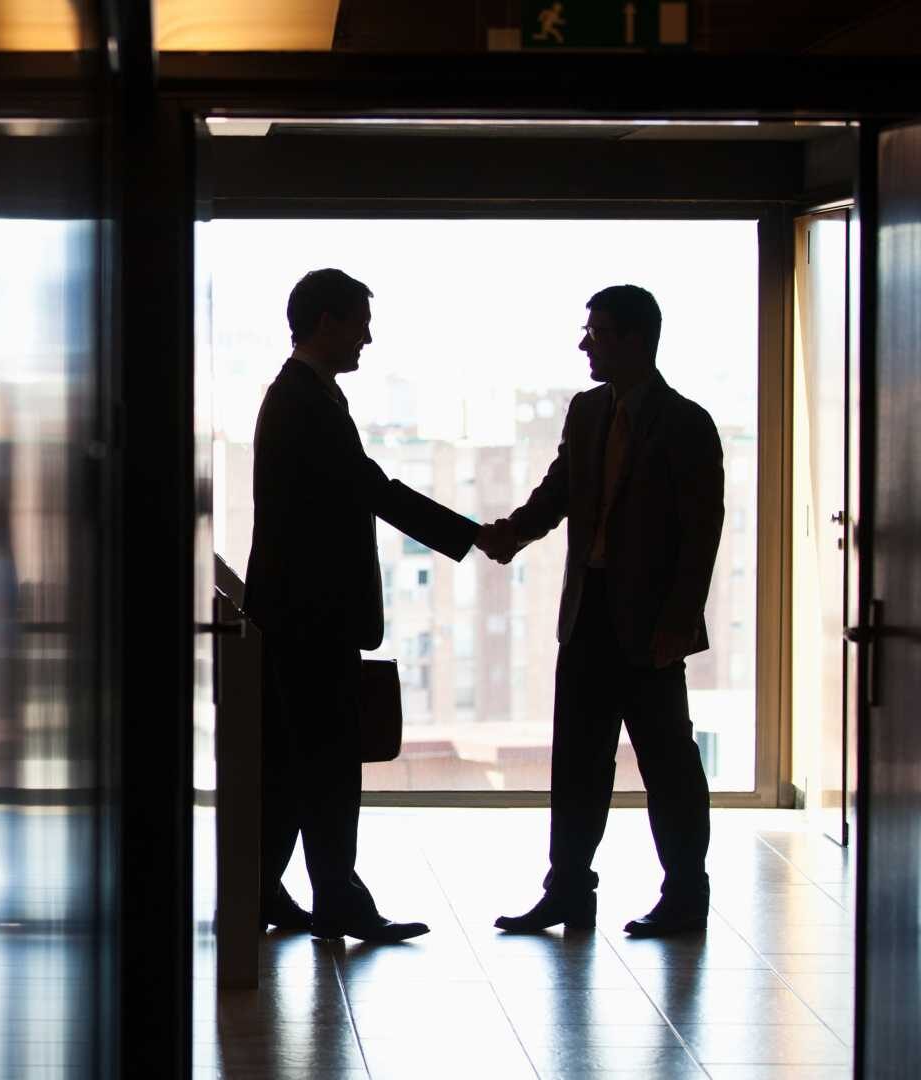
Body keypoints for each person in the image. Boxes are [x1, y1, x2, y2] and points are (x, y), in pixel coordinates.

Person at [242, 268, 482, 943]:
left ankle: (263, 889)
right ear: (327, 322)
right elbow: (370, 488)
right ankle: (338, 902)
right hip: (310, 617)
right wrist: (471, 536)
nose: (367, 340)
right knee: (326, 766)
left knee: (294, 765)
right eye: (359, 324)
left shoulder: (302, 395)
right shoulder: (304, 402)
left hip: (295, 614)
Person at [478, 285, 724, 938]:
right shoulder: (586, 412)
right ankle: (567, 893)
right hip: (586, 614)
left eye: (597, 332)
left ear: (634, 340)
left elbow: (702, 533)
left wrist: (678, 623)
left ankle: (686, 895)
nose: (584, 344)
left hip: (652, 626)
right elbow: (559, 490)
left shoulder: (686, 423)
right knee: (577, 761)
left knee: (667, 764)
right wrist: (512, 533)